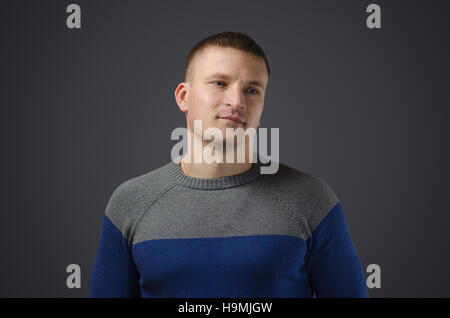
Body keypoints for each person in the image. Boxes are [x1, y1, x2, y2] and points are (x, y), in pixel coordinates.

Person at [89, 31, 369, 298]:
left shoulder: (311, 199)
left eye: (252, 90)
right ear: (183, 97)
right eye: (219, 83)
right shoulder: (130, 203)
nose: (236, 101)